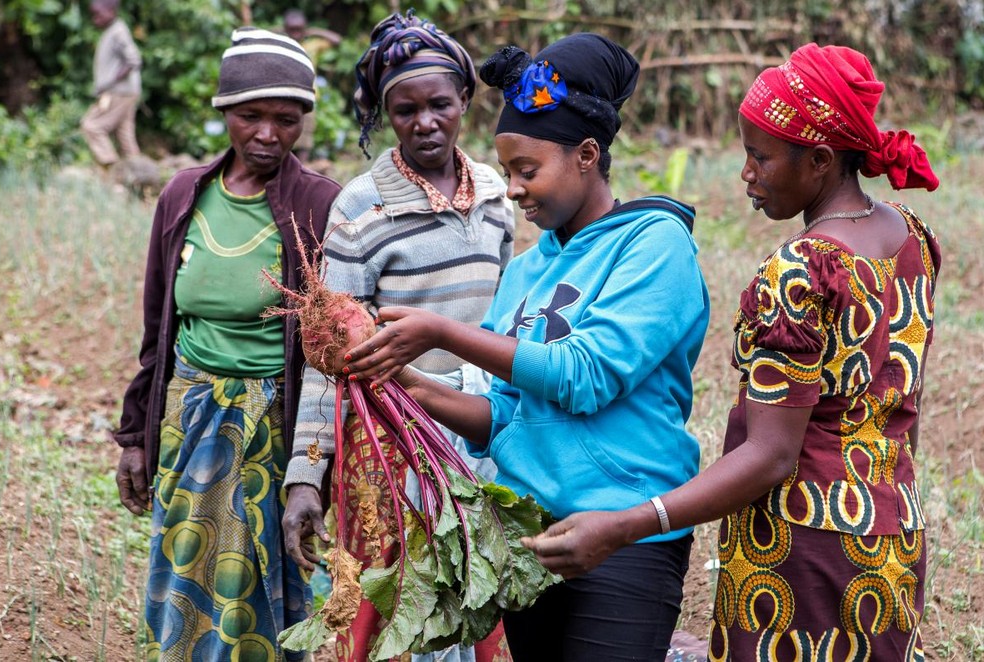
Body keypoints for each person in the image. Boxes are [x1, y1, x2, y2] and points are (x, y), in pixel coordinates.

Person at [481, 44, 941, 660]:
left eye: (760, 155)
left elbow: (772, 456)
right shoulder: (913, 237)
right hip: (892, 534)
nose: (746, 173)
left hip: (802, 545)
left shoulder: (801, 271)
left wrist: (630, 523)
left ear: (822, 160)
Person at [342, 32, 711, 660]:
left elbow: (585, 376)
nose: (511, 189)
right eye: (508, 170)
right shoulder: (527, 269)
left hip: (623, 535)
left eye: (526, 171)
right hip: (530, 536)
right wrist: (404, 382)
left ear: (588, 154)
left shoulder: (653, 245)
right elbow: (503, 414)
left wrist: (439, 332)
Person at [280, 11, 516, 662]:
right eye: (405, 109)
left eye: (440, 104)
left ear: (467, 100)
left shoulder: (499, 194)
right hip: (393, 437)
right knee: (395, 608)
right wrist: (307, 473)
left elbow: (512, 319)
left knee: (484, 592)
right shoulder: (359, 208)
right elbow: (333, 355)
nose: (425, 122)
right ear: (385, 115)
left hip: (483, 427)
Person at [112, 27, 341, 661]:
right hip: (189, 416)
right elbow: (158, 325)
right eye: (251, 116)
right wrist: (135, 436)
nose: (268, 134)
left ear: (303, 122)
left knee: (268, 577)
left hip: (273, 425)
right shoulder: (183, 195)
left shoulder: (319, 205)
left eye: (286, 120)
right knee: (186, 565)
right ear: (223, 113)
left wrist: (314, 471)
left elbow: (328, 351)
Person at [81, 0, 142, 167]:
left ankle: (111, 165)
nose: (95, 19)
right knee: (125, 135)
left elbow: (134, 60)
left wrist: (110, 83)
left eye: (98, 14)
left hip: (119, 92)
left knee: (91, 126)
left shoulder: (118, 31)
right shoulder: (112, 31)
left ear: (111, 11)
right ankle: (140, 174)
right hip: (126, 92)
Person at [282, 8, 342, 161]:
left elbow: (337, 40)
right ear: (286, 28)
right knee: (284, 132)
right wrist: (282, 31)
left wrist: (312, 31)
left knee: (305, 133)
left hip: (308, 95)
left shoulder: (312, 45)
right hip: (284, 95)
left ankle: (302, 168)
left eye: (299, 29)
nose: (296, 34)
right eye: (292, 30)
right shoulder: (281, 44)